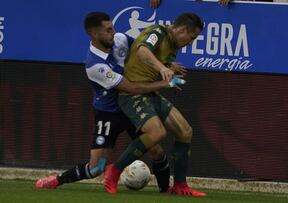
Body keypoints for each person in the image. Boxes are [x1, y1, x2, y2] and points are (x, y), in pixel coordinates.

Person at [34, 11, 185, 192]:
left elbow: (142, 55)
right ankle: (57, 180)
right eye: (108, 30)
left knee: (157, 151)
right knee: (96, 167)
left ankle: (165, 190)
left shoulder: (120, 39)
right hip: (109, 114)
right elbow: (131, 88)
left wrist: (166, 66)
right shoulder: (95, 65)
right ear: (94, 34)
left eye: (112, 27)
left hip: (131, 108)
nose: (114, 32)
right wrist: (165, 83)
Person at [103, 12, 207, 196]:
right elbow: (142, 51)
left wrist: (168, 68)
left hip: (150, 93)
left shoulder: (173, 44)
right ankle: (114, 170)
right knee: (157, 132)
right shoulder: (157, 32)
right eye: (191, 37)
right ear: (182, 29)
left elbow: (156, 62)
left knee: (185, 131)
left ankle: (180, 186)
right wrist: (162, 68)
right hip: (131, 94)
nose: (190, 42)